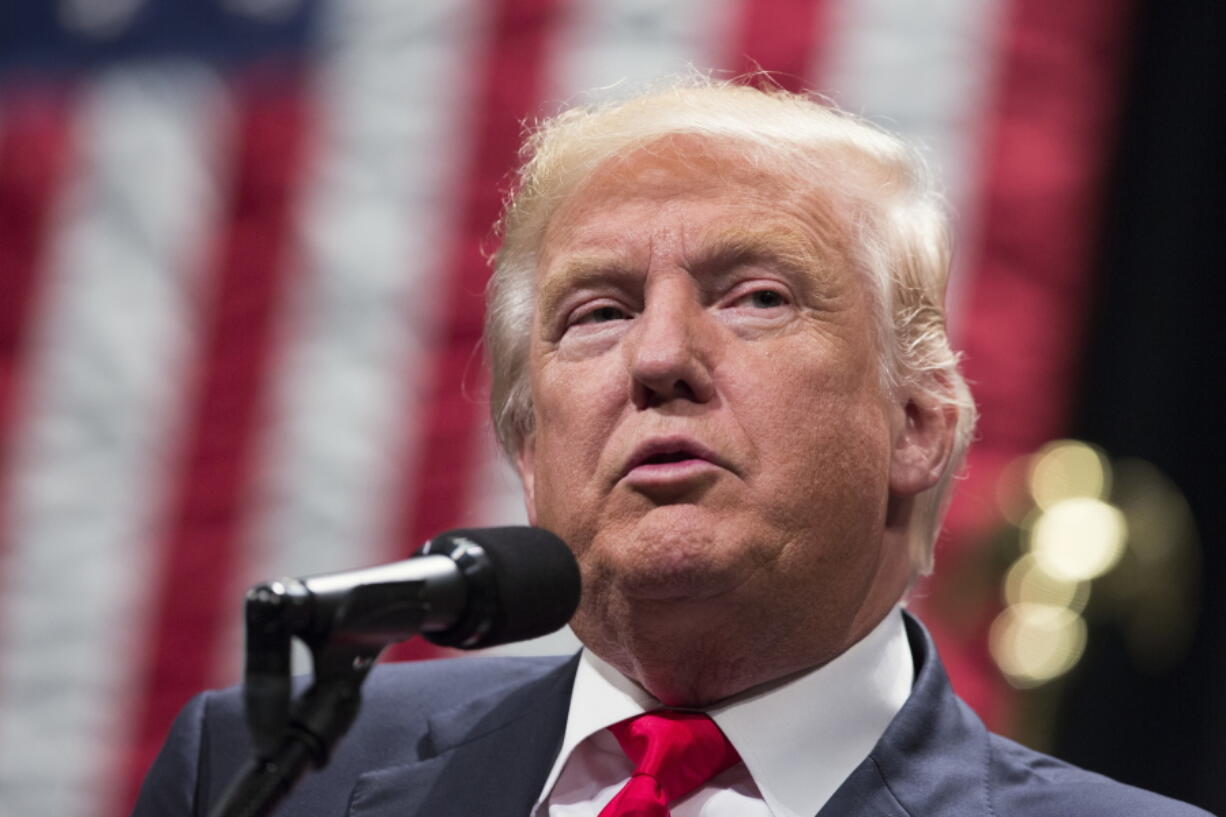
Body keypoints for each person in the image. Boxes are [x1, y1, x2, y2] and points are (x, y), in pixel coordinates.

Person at [133, 79, 1208, 817]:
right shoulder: (270, 770)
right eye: (595, 311)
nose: (656, 357)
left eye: (755, 297)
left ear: (918, 425)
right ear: (526, 445)